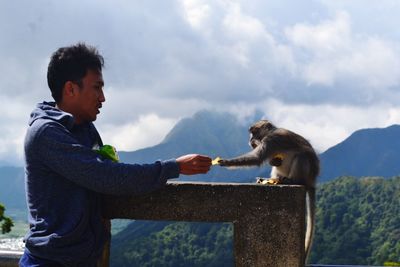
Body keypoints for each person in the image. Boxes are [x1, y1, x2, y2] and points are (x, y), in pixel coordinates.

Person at [19, 43, 212, 266]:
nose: (102, 98)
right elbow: (104, 175)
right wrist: (174, 167)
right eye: (97, 88)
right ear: (71, 89)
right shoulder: (46, 133)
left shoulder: (85, 129)